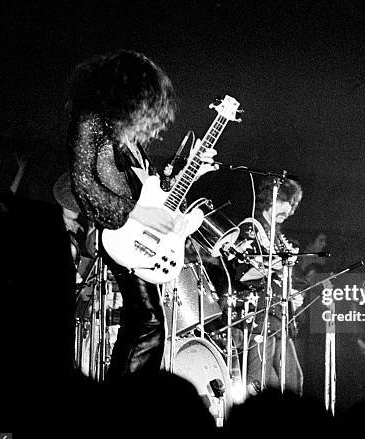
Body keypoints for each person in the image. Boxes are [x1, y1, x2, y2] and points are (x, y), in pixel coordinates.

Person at [66, 50, 217, 379]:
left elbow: (153, 190)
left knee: (143, 323)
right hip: (120, 234)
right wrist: (139, 213)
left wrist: (192, 171)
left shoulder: (127, 139)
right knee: (148, 324)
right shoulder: (92, 119)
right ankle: (128, 406)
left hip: (135, 235)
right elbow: (84, 184)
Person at [229, 176, 307, 395]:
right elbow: (244, 273)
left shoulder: (277, 235)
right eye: (287, 202)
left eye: (294, 205)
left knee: (292, 382)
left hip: (279, 319)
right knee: (258, 384)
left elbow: (275, 277)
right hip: (260, 318)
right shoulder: (251, 228)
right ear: (272, 199)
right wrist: (278, 262)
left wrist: (290, 293)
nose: (290, 210)